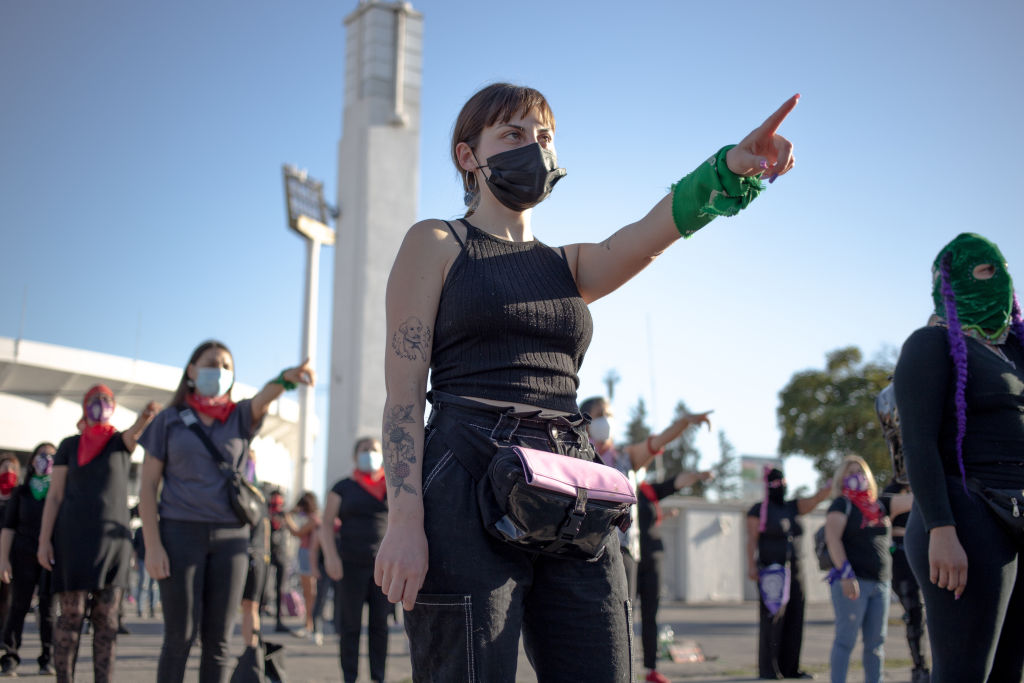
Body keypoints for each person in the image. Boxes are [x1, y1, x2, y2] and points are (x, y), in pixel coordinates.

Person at [372, 81, 798, 681]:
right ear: (468, 156)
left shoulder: (567, 264)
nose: (534, 149)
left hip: (572, 485)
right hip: (463, 479)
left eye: (544, 137)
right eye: (513, 135)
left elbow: (653, 232)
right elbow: (404, 394)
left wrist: (729, 168)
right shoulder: (437, 242)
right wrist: (405, 520)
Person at [137, 340, 313, 683]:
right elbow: (146, 487)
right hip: (179, 533)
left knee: (218, 640)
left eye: (227, 366)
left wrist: (286, 379)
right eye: (212, 363)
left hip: (232, 539)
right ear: (191, 371)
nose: (220, 371)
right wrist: (153, 545)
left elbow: (264, 397)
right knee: (179, 637)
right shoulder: (168, 421)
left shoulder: (238, 417)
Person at [893, 232, 1024, 682]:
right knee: (964, 675)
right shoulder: (930, 345)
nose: (1001, 277)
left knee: (1009, 674)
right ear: (948, 282)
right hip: (963, 515)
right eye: (985, 269)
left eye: (1002, 267)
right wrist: (941, 531)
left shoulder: (1013, 351)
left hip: (1015, 515)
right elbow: (918, 444)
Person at [37, 386, 158, 683]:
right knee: (71, 616)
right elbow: (54, 496)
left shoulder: (120, 442)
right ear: (84, 405)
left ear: (114, 407)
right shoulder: (69, 445)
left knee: (107, 620)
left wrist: (145, 417)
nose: (100, 405)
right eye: (94, 400)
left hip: (113, 545)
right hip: (72, 541)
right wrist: (44, 542)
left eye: (106, 400)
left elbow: (136, 434)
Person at [578, 396, 713, 602]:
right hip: (585, 551)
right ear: (586, 422)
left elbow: (659, 441)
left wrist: (684, 422)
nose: (606, 420)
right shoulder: (577, 457)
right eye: (600, 415)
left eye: (610, 415)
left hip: (622, 552)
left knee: (622, 619)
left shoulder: (626, 457)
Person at [822, 455, 911, 683]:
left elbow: (916, 499)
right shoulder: (842, 505)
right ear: (842, 478)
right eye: (850, 472)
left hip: (881, 582)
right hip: (853, 581)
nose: (857, 477)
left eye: (860, 472)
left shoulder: (880, 505)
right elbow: (833, 540)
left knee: (876, 644)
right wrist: (845, 574)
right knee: (846, 640)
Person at [744, 468, 830, 680]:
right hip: (772, 571)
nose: (780, 485)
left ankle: (791, 668)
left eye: (782, 481)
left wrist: (828, 488)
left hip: (796, 570)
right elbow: (751, 539)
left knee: (795, 616)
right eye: (776, 482)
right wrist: (751, 566)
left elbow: (814, 500)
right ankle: (769, 669)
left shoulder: (793, 507)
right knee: (773, 619)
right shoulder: (759, 510)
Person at [637, 467, 715, 683]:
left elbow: (676, 482)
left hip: (653, 558)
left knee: (650, 616)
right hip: (628, 560)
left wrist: (698, 476)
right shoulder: (616, 488)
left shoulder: (648, 491)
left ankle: (650, 670)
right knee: (622, 615)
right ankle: (617, 667)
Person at [321, 437, 390, 683]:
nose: (370, 454)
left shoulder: (392, 485)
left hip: (383, 568)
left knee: (380, 627)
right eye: (364, 450)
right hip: (349, 565)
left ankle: (378, 678)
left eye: (374, 450)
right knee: (350, 627)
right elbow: (326, 524)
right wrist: (331, 557)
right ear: (355, 456)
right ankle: (349, 677)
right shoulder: (343, 487)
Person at [0, 442, 57, 676]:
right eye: (41, 455)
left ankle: (47, 657)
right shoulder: (21, 492)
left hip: (51, 558)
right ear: (32, 460)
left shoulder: (59, 492)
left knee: (48, 609)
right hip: (22, 555)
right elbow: (8, 527)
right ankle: (10, 656)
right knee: (18, 607)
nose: (45, 460)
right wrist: (3, 559)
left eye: (51, 456)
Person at [282, 492, 319, 639]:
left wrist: (288, 517)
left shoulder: (313, 519)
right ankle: (309, 623)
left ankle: (309, 624)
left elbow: (297, 532)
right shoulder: (312, 518)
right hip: (306, 554)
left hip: (307, 555)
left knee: (309, 592)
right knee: (308, 592)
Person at [264, 490, 291, 633]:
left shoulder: (284, 517)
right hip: (266, 554)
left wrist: (285, 519)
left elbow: (295, 530)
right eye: (273, 504)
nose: (276, 508)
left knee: (280, 588)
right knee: (261, 588)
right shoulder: (265, 517)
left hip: (281, 554)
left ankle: (279, 620)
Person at [0, 453, 20, 634]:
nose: (8, 471)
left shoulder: (20, 497)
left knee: (8, 598)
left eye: (12, 468)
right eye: (5, 467)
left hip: (11, 555)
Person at [131, 525, 157, 618]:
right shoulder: (139, 530)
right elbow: (135, 547)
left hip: (156, 560)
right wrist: (135, 562)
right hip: (142, 560)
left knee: (154, 586)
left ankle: (152, 609)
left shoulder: (159, 528)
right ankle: (140, 610)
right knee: (143, 585)